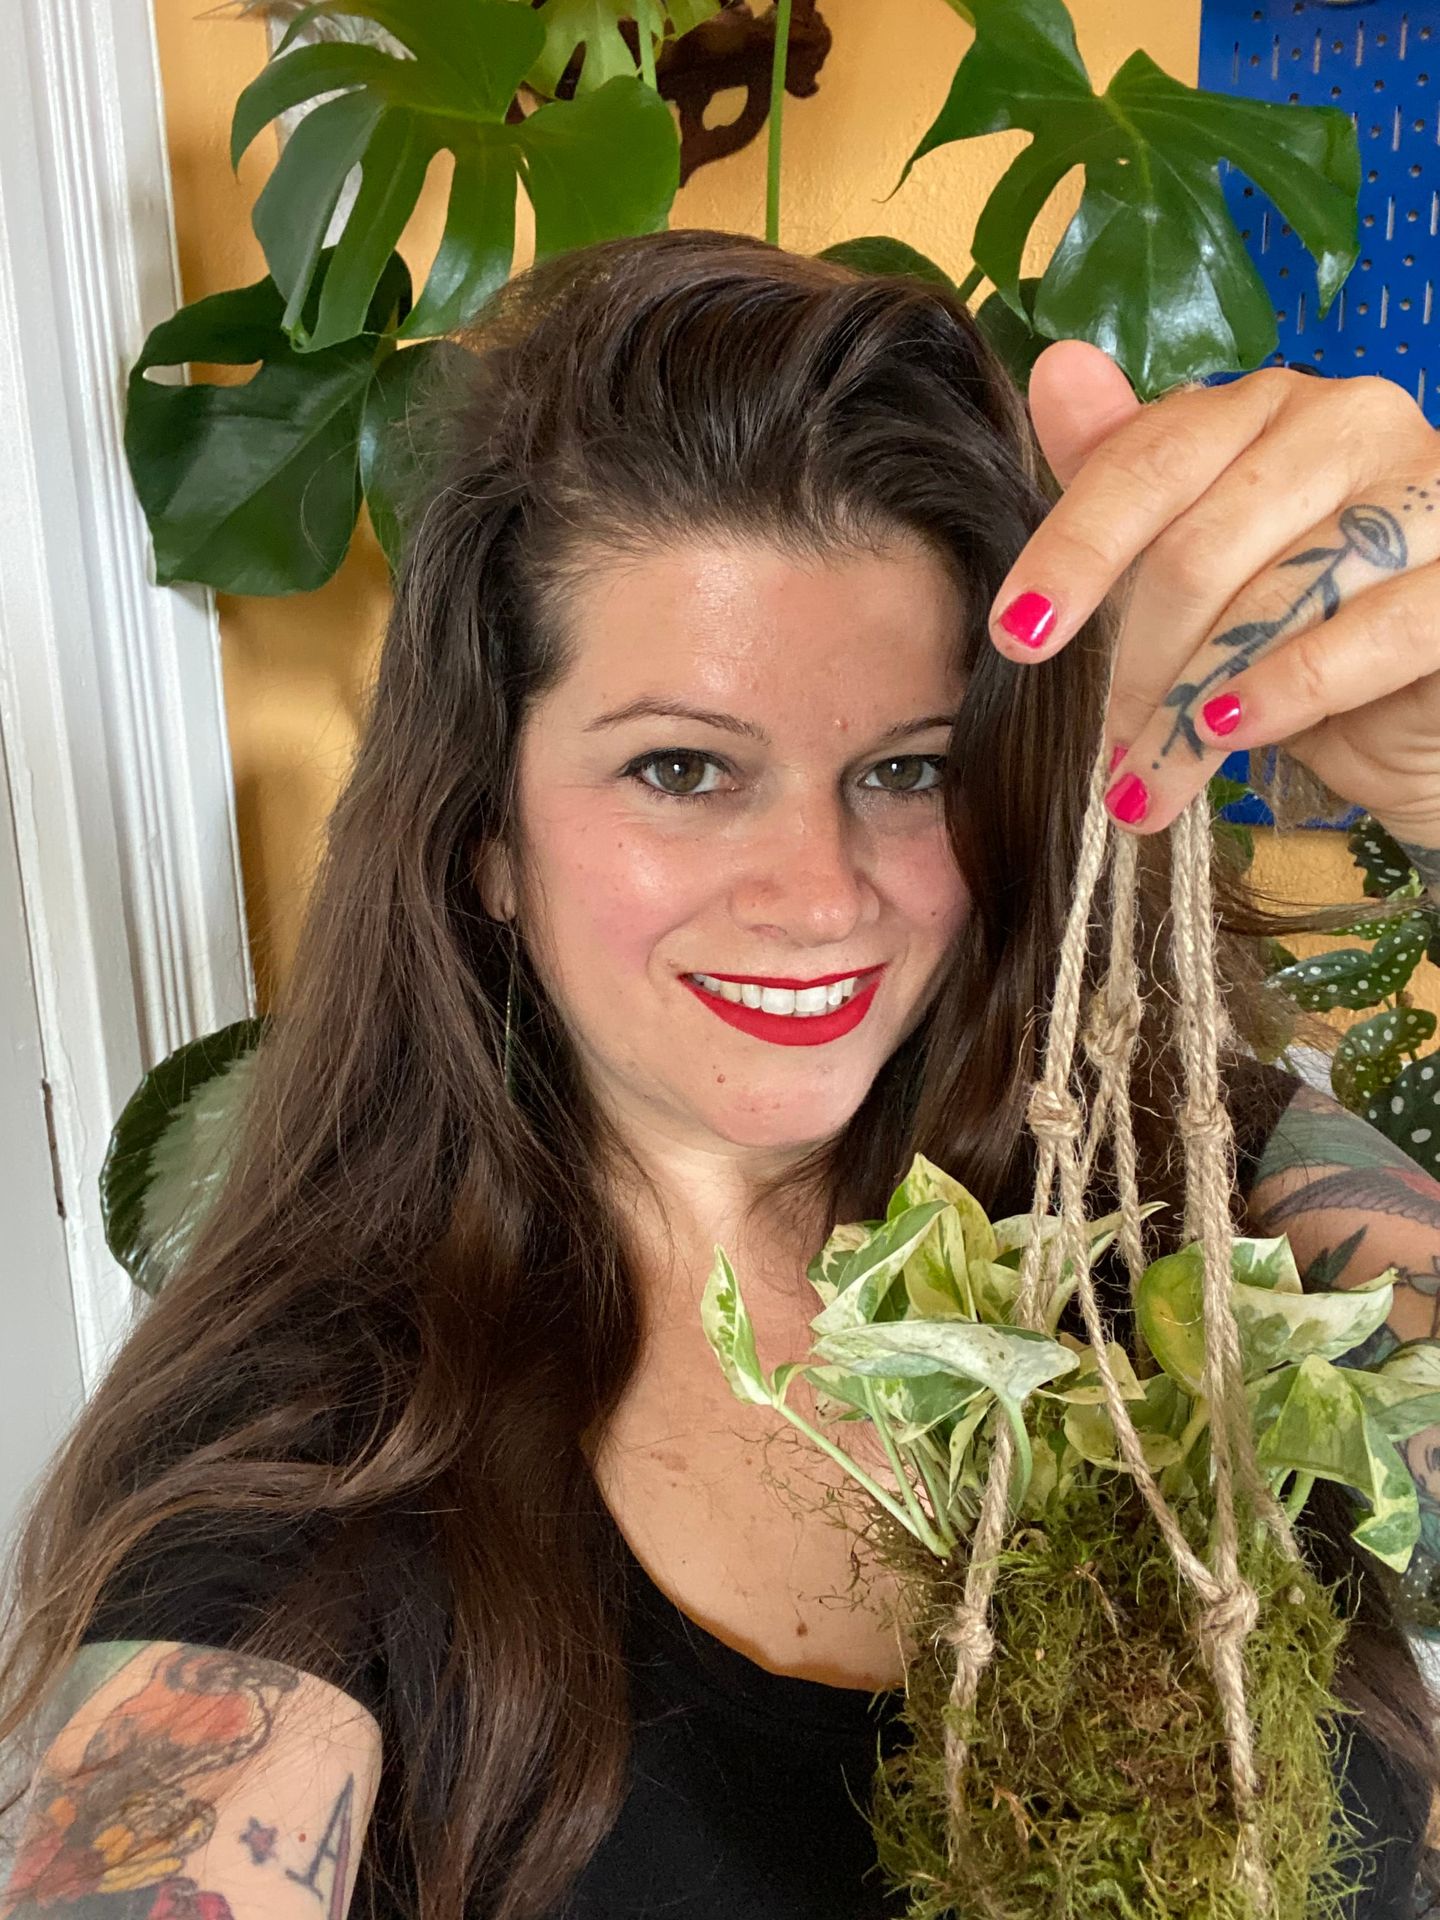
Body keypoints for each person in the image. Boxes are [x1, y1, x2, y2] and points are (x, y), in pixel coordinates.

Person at [1, 228, 1437, 1920]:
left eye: (906, 767)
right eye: (682, 767)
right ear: (487, 840)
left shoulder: (1214, 1204)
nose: (822, 894)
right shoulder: (315, 1474)